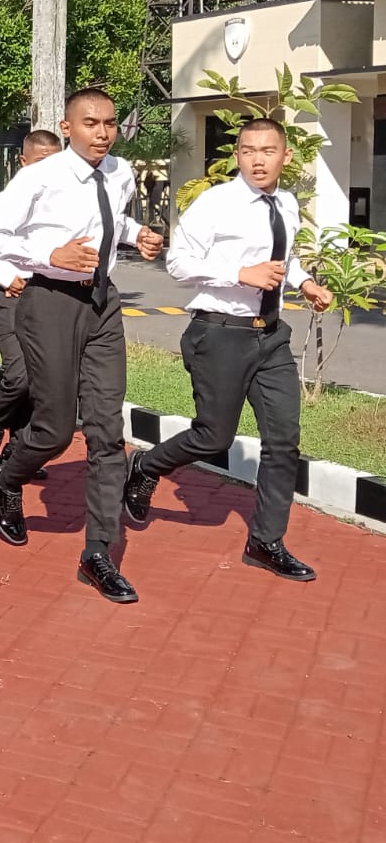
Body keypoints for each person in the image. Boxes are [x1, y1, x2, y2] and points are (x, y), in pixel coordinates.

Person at [0, 87, 164, 604]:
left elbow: (109, 221)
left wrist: (135, 233)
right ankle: (7, 478)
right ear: (67, 125)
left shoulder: (119, 173)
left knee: (107, 431)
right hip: (49, 301)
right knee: (55, 429)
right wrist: (48, 252)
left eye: (110, 123)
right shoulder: (40, 175)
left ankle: (97, 554)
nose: (102, 133)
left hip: (103, 303)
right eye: (90, 123)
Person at [123, 119, 332, 581]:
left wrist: (306, 282)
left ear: (286, 157)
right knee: (213, 437)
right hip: (219, 335)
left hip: (272, 336)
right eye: (248, 150)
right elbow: (178, 262)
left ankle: (266, 541)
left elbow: (285, 258)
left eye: (268, 150)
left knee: (284, 440)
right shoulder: (215, 204)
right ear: (237, 155)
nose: (258, 159)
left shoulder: (287, 203)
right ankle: (145, 465)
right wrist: (241, 273)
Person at [0, 130, 63, 480]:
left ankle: (18, 450)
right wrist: (4, 275)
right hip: (9, 296)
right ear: (23, 162)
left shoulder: (65, 204)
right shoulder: (7, 200)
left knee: (39, 378)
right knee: (19, 374)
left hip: (49, 300)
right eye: (40, 162)